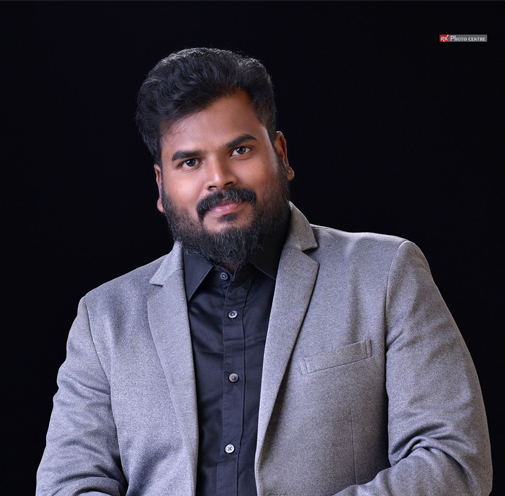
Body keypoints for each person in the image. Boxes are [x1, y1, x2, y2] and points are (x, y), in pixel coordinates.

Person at [36, 48, 492, 496]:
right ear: (161, 185)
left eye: (239, 149)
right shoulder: (103, 319)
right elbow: (68, 484)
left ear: (280, 154)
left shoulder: (386, 274)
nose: (219, 178)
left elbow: (453, 460)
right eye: (190, 162)